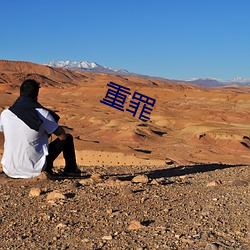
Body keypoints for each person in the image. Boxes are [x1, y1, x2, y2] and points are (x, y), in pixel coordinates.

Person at [0, 79, 81, 178]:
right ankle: (71, 169)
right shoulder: (43, 114)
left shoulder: (6, 114)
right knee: (68, 138)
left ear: (20, 93)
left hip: (9, 170)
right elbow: (62, 136)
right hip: (36, 169)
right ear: (36, 95)